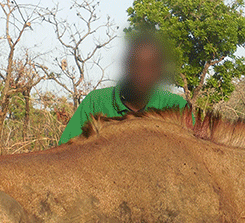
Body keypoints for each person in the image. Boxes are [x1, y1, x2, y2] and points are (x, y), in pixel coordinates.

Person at [58, 31, 188, 145]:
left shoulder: (177, 107)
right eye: (136, 65)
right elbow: (65, 152)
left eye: (151, 67)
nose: (143, 74)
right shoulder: (95, 102)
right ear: (126, 66)